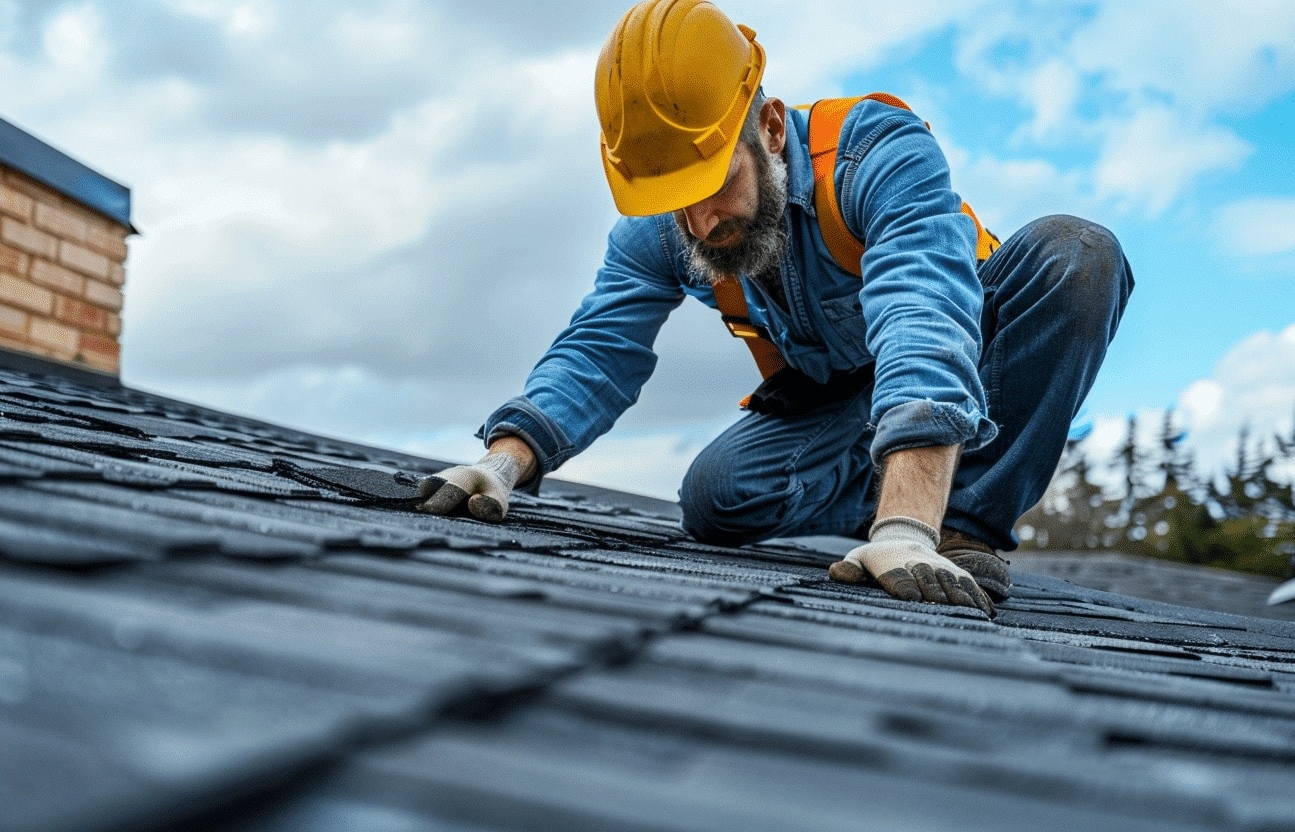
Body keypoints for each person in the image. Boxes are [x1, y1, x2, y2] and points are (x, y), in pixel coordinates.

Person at [419, 0, 1132, 616]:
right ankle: (901, 489)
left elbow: (922, 315)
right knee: (716, 497)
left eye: (713, 186)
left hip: (968, 358)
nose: (698, 224)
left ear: (765, 126)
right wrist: (506, 462)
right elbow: (599, 346)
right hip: (843, 399)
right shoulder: (665, 224)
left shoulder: (874, 157)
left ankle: (960, 522)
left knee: (1076, 256)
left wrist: (908, 530)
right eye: (675, 203)